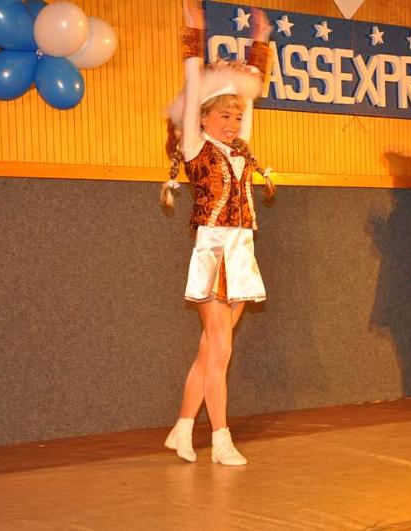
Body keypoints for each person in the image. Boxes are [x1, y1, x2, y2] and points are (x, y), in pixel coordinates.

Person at [161, 0, 273, 465]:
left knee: (210, 350)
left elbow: (251, 95)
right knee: (221, 350)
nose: (232, 124)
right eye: (224, 117)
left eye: (236, 117)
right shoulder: (194, 146)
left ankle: (183, 428)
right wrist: (195, 34)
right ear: (203, 118)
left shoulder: (241, 151)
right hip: (212, 251)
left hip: (242, 251)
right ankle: (221, 437)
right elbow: (193, 84)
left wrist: (260, 45)